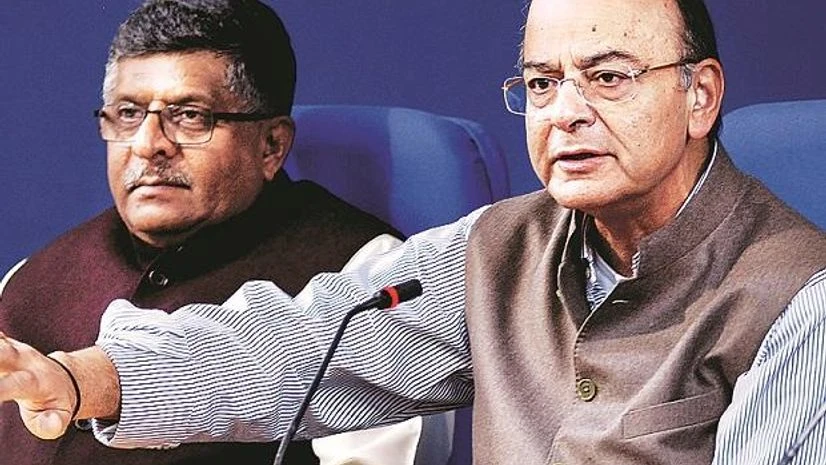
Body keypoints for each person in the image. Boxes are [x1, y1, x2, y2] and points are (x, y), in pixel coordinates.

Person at [0, 0, 824, 464]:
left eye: (607, 77)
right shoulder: (499, 245)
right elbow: (299, 343)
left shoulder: (799, 300)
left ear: (699, 96)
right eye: (541, 83)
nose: (567, 112)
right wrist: (82, 380)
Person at [0, 1, 452, 464]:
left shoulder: (366, 280)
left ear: (271, 145)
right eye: (129, 114)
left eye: (191, 116)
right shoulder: (25, 284)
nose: (148, 144)